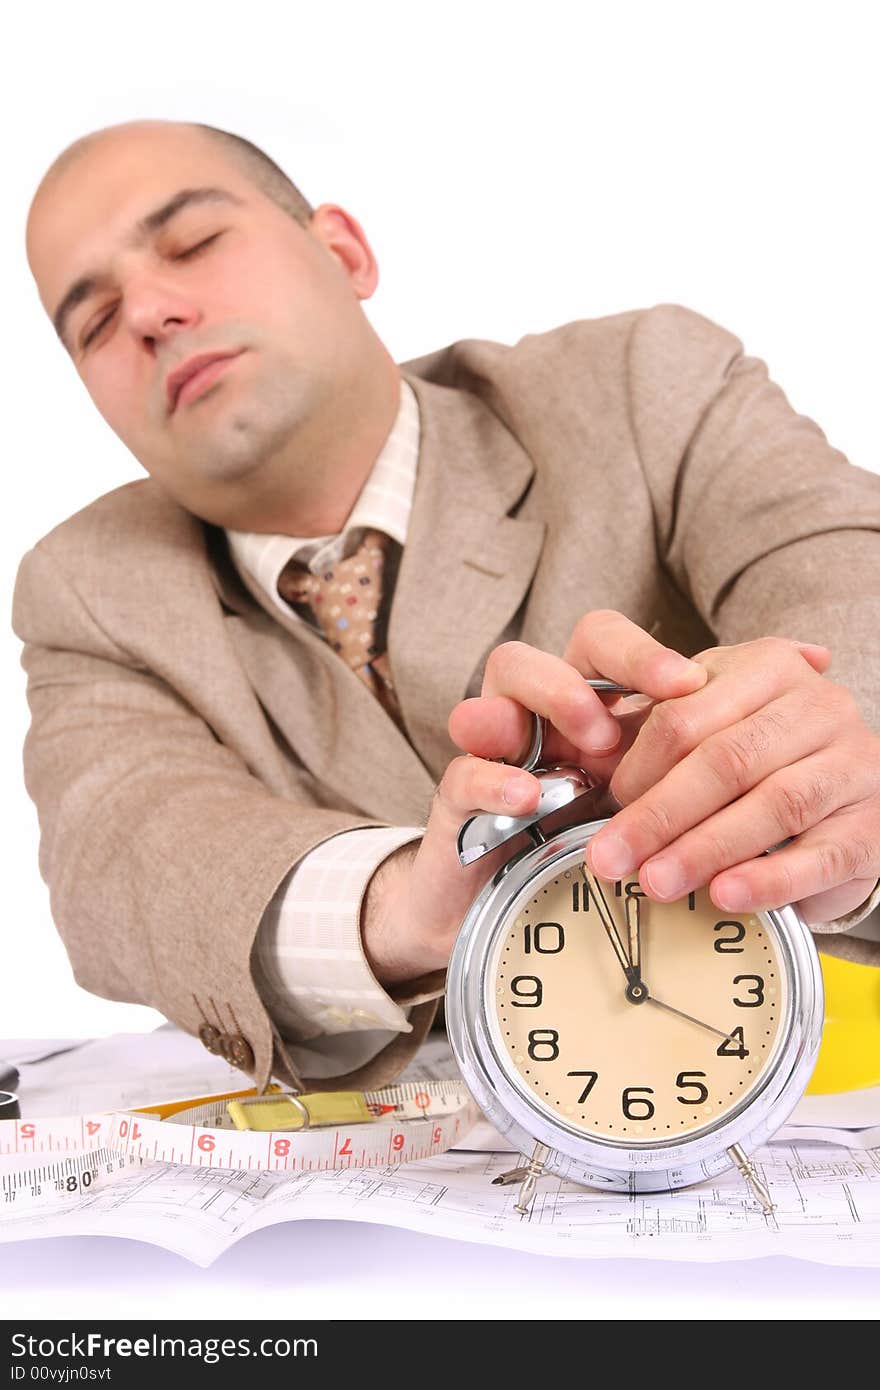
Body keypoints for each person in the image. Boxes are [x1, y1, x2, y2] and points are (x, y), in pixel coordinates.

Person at [14, 118, 880, 1098]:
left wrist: (807, 762)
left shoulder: (642, 387)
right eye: (93, 321)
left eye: (194, 243)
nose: (151, 314)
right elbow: (122, 860)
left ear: (342, 252)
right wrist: (408, 903)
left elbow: (847, 580)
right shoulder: (86, 585)